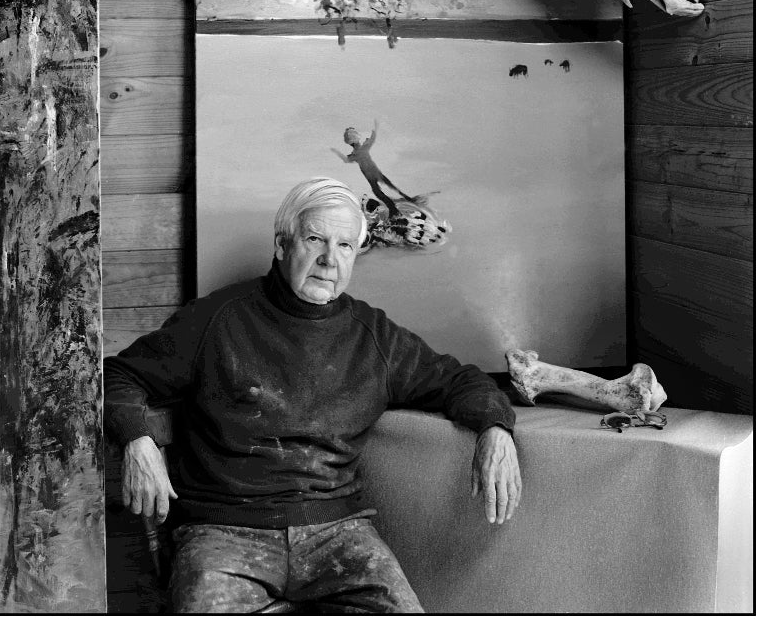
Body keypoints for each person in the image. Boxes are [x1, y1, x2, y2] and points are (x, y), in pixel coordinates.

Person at [104, 177, 521, 614]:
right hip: (224, 534)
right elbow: (118, 375)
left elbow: (460, 380)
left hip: (337, 533)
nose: (329, 260)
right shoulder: (217, 319)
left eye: (344, 246)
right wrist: (137, 438)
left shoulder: (373, 336)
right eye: (315, 239)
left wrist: (495, 428)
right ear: (283, 245)